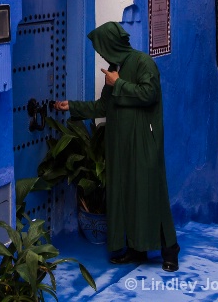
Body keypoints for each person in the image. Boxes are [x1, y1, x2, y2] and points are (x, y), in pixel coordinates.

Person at [53, 21, 180, 272]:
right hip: (120, 146)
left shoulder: (143, 63)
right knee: (127, 194)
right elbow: (103, 107)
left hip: (144, 143)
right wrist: (74, 107)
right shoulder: (114, 68)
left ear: (112, 44)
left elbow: (149, 94)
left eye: (102, 48)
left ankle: (170, 251)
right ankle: (135, 249)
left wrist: (117, 84)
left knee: (151, 194)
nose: (101, 54)